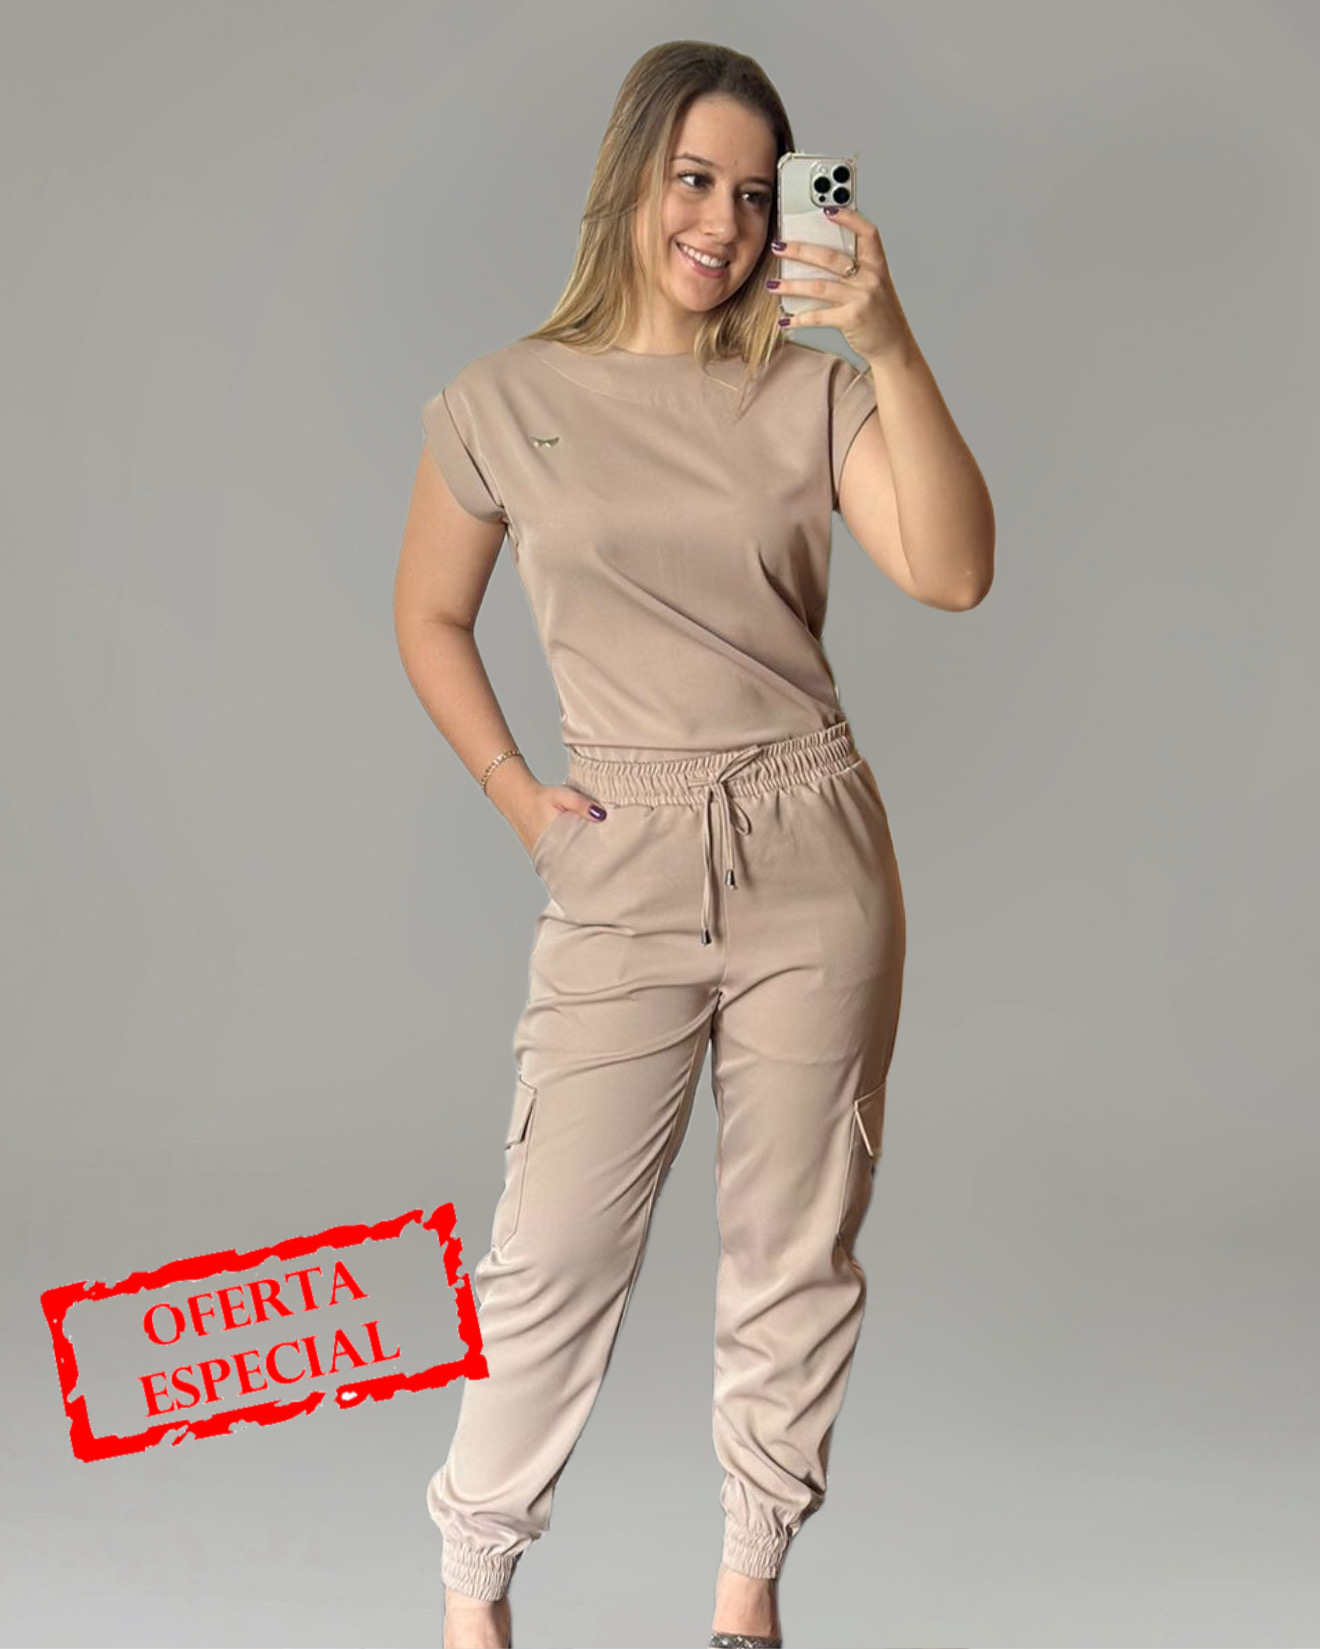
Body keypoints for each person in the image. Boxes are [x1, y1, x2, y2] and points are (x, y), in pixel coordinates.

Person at [394, 37, 993, 1649]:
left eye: (752, 192)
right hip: (624, 852)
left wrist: (887, 339)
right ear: (631, 180)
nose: (722, 222)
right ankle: (473, 1602)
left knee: (794, 1247)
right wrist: (520, 794)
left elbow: (954, 572)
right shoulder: (504, 399)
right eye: (693, 179)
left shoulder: (811, 389)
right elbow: (429, 613)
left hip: (812, 845)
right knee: (554, 1249)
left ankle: (746, 1602)